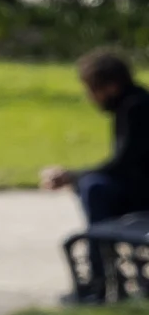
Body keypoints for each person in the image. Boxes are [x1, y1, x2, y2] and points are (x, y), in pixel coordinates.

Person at [42, 45, 149, 225]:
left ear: (111, 87)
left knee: (93, 187)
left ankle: (99, 247)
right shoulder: (133, 103)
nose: (90, 98)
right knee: (90, 183)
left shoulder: (136, 108)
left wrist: (72, 176)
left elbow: (123, 164)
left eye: (92, 90)